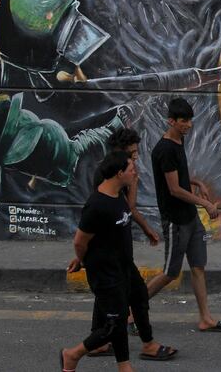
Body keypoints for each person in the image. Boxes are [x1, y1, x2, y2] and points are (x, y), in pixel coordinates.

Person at [60, 151, 177, 372]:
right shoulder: (97, 205)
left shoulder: (118, 196)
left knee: (140, 298)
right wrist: (82, 260)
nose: (135, 171)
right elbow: (79, 241)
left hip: (124, 265)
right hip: (106, 272)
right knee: (113, 323)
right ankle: (72, 354)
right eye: (131, 168)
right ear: (119, 173)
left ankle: (130, 361)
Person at [147, 98, 221, 332]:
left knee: (198, 266)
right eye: (183, 121)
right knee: (170, 273)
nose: (188, 125)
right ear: (171, 121)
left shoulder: (178, 141)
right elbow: (174, 190)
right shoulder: (165, 150)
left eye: (190, 120)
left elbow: (179, 179)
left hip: (190, 217)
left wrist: (196, 182)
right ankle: (130, 310)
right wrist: (205, 203)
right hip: (176, 219)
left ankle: (205, 318)